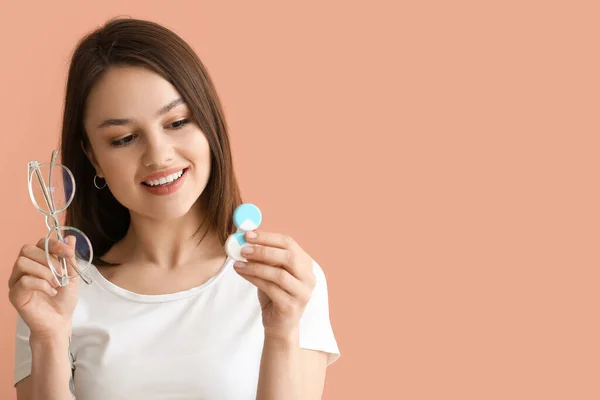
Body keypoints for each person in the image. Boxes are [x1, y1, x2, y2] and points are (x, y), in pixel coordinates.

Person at [9, 17, 339, 399]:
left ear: (209, 125)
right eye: (124, 138)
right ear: (93, 158)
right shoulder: (55, 294)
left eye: (178, 121)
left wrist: (281, 335)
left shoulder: (288, 283)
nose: (159, 155)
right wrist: (48, 340)